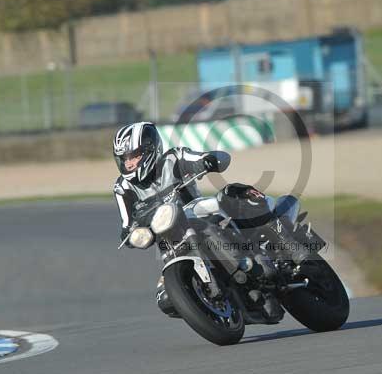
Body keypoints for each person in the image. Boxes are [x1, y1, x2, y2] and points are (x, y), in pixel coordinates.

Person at [113, 121, 273, 317]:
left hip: (198, 213)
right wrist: (128, 235)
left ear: (150, 149)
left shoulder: (174, 157)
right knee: (165, 300)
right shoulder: (122, 188)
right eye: (124, 159)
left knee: (232, 194)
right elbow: (127, 224)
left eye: (134, 156)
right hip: (167, 238)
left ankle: (261, 249)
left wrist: (208, 161)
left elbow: (202, 158)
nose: (128, 163)